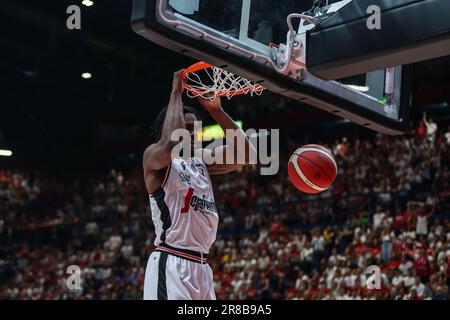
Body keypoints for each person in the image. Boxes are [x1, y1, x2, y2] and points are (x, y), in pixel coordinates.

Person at [142, 70, 256, 300]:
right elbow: (172, 141)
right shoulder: (155, 157)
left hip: (202, 266)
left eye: (196, 129)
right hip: (171, 261)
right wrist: (176, 93)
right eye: (187, 127)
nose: (193, 134)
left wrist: (217, 111)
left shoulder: (201, 160)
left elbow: (247, 155)